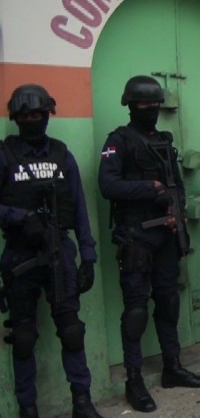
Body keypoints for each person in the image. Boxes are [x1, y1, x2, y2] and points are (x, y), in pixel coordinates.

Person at [98, 76, 200, 413]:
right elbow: (108, 185)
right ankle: (134, 380)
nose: (151, 110)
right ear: (131, 106)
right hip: (136, 236)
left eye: (155, 105)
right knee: (135, 310)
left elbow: (175, 185)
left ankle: (172, 367)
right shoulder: (118, 141)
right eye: (145, 105)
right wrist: (151, 189)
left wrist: (177, 212)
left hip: (165, 235)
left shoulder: (163, 141)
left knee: (168, 301)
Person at [0, 84, 103, 417]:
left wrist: (88, 256)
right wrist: (20, 217)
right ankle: (27, 407)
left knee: (71, 331)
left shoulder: (62, 155)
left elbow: (80, 208)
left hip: (60, 252)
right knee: (23, 336)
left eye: (38, 114)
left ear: (48, 115)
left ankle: (82, 401)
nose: (33, 120)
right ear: (16, 118)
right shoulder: (5, 155)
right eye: (26, 115)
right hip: (20, 255)